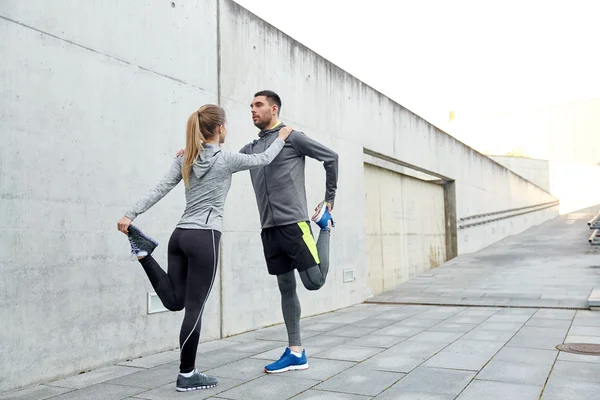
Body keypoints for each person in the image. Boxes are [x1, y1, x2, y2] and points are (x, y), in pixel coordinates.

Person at [116, 104, 292, 392]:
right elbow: (264, 158)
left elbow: (159, 188)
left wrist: (130, 214)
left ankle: (145, 253)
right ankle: (187, 374)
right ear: (220, 129)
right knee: (194, 309)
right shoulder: (226, 159)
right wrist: (282, 136)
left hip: (180, 236)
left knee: (175, 301)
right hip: (204, 238)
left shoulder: (186, 157)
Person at [242, 90, 338, 373]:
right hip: (269, 228)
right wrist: (194, 151)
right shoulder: (251, 149)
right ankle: (296, 351)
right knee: (286, 288)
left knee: (314, 281)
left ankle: (327, 228)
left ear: (274, 108)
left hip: (294, 224)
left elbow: (331, 158)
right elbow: (225, 162)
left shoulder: (293, 137)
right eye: (251, 106)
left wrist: (329, 198)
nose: (253, 110)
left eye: (258, 105)